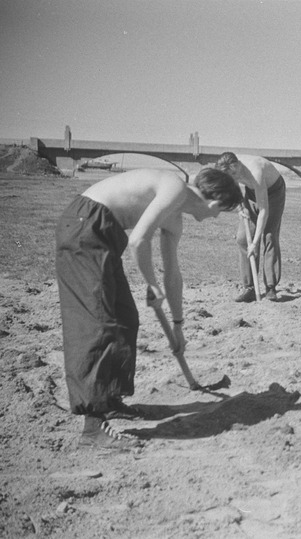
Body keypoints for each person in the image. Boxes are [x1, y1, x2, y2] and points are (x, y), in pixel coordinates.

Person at [55, 168, 242, 448]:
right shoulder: (175, 188)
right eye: (222, 212)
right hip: (86, 224)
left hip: (103, 232)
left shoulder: (175, 218)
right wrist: (151, 284)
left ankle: (109, 399)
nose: (215, 217)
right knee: (97, 321)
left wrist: (178, 326)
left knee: (125, 317)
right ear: (215, 204)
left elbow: (173, 274)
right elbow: (138, 239)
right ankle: (93, 427)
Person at [215, 152, 286, 302]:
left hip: (273, 192)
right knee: (242, 239)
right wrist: (241, 207)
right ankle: (249, 288)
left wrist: (254, 243)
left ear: (238, 165)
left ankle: (271, 287)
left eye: (234, 174)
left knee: (269, 235)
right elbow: (234, 188)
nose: (233, 178)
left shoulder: (256, 171)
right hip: (251, 192)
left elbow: (264, 211)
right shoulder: (228, 170)